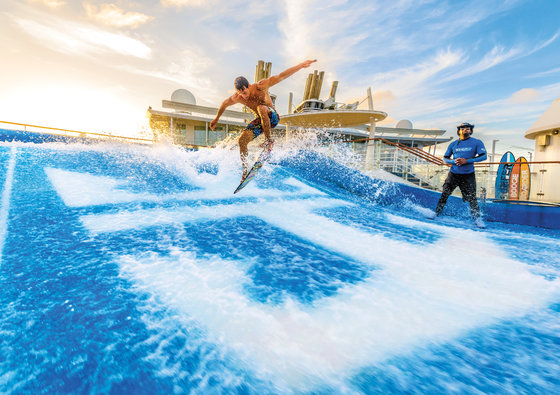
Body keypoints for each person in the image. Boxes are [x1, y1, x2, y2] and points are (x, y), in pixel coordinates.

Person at [210, 59, 317, 179]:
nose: (244, 96)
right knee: (242, 141)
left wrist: (301, 66)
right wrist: (216, 119)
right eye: (241, 94)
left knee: (261, 108)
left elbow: (281, 76)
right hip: (260, 121)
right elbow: (224, 104)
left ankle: (268, 141)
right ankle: (245, 171)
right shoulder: (237, 97)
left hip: (273, 117)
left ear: (249, 86)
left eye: (245, 92)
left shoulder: (261, 86)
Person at [432, 122, 487, 227]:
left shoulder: (477, 142)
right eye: (463, 128)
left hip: (468, 175)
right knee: (445, 194)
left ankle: (477, 219)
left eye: (468, 128)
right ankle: (437, 213)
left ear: (471, 131)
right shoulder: (453, 144)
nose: (466, 130)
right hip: (453, 174)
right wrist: (454, 162)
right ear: (459, 131)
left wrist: (467, 161)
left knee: (472, 198)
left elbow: (483, 156)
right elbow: (445, 158)